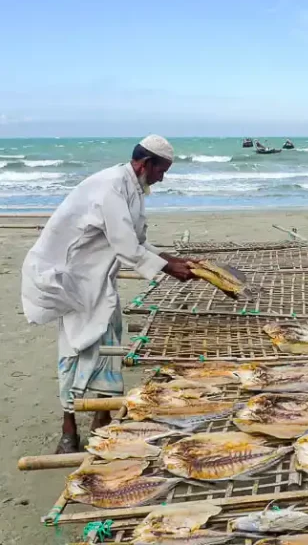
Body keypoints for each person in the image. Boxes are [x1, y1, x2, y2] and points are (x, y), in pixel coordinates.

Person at [21, 135, 196, 454]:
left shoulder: (134, 188)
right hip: (72, 280)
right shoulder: (111, 188)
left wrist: (174, 260)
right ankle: (68, 429)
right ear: (146, 164)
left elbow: (137, 242)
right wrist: (170, 270)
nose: (162, 177)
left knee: (110, 339)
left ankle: (101, 420)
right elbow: (128, 249)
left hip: (99, 280)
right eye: (162, 170)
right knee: (76, 349)